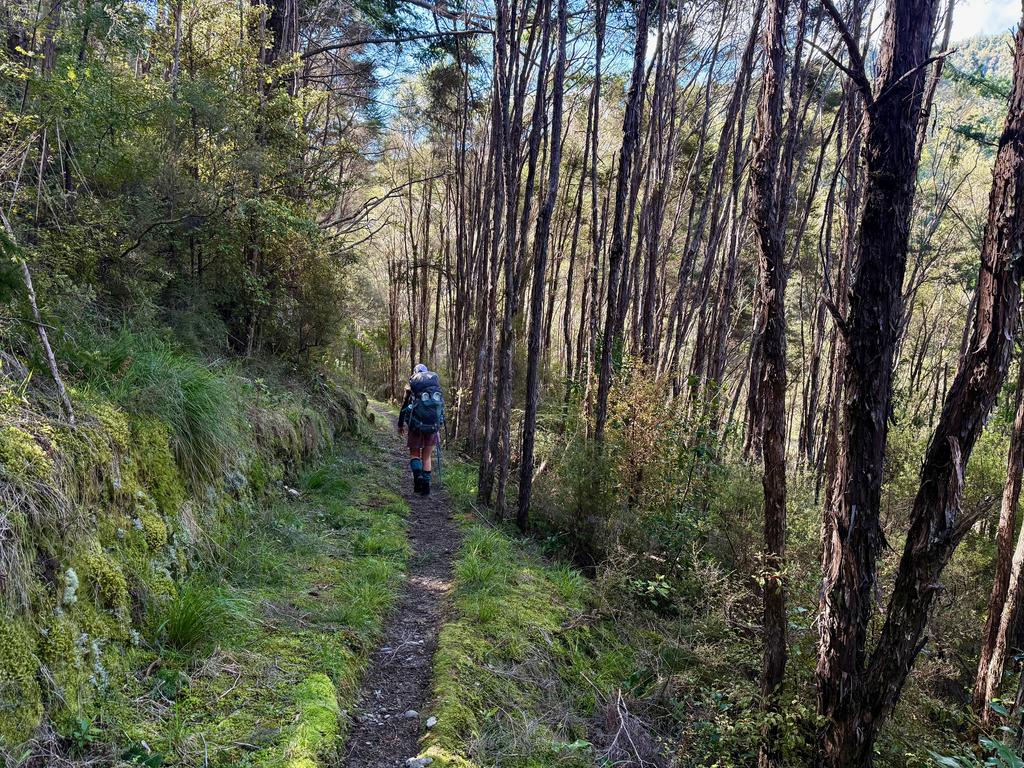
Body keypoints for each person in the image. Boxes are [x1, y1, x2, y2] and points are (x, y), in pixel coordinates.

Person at [397, 363, 444, 496]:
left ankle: (418, 478)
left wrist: (400, 424)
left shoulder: (411, 389)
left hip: (415, 427)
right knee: (427, 457)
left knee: (414, 454)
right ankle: (426, 488)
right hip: (432, 427)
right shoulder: (435, 389)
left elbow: (404, 409)